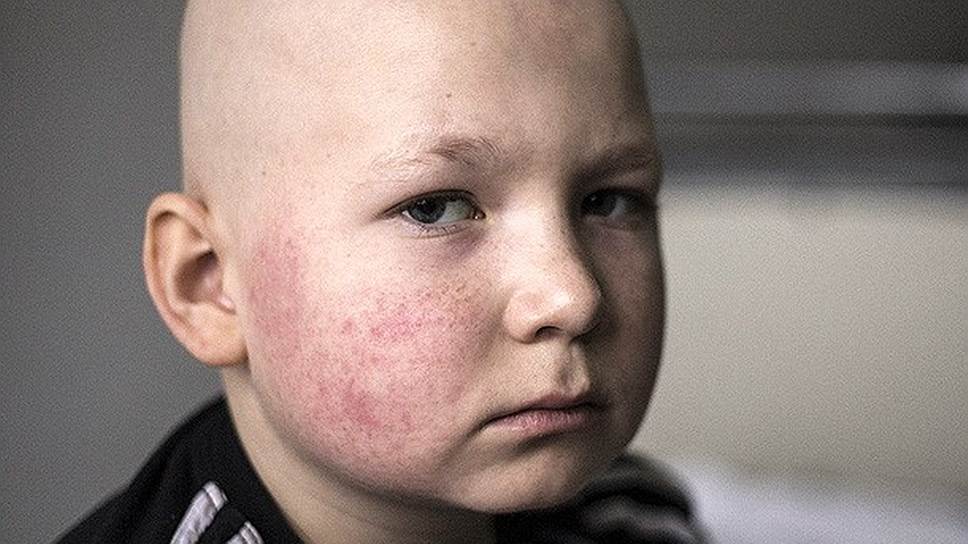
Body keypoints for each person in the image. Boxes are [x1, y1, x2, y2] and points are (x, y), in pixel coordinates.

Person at [57, 1, 703, 542]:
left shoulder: (631, 512)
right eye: (435, 208)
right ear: (207, 285)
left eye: (608, 201)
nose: (573, 295)